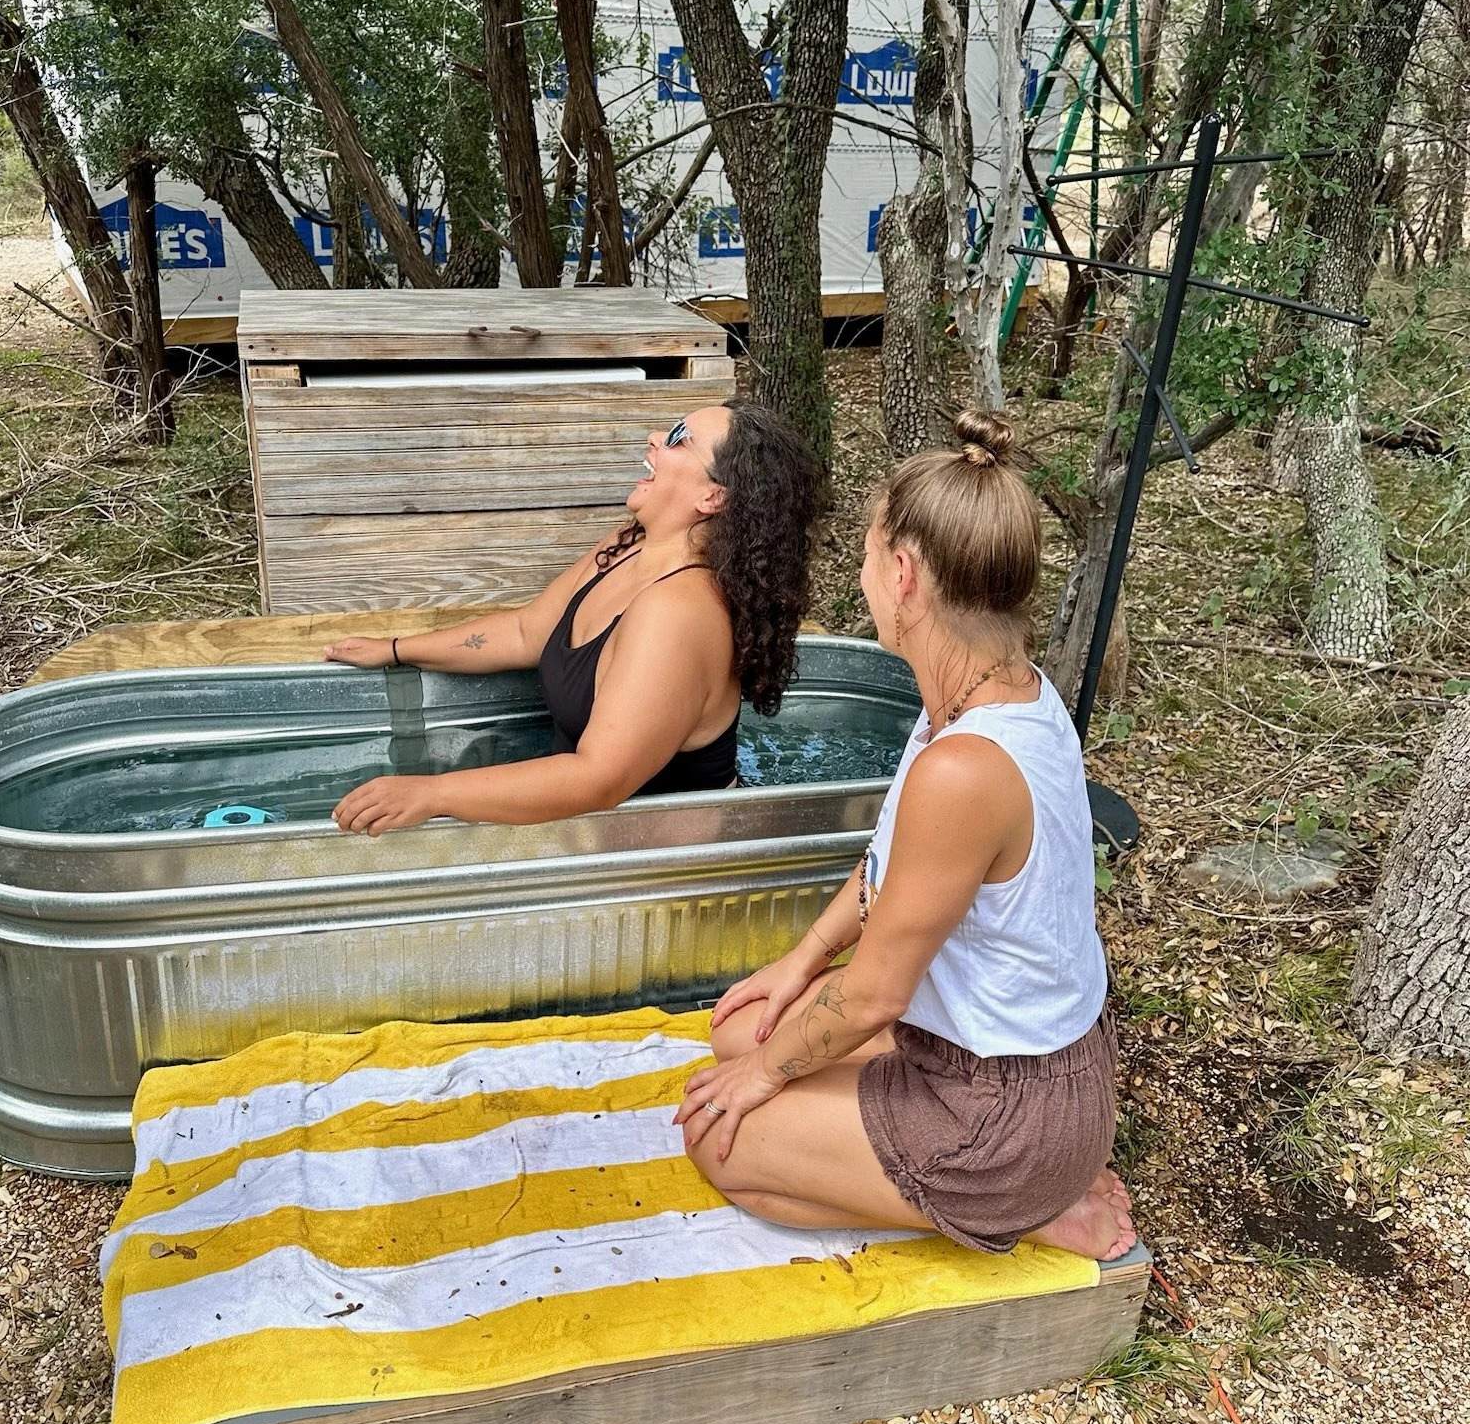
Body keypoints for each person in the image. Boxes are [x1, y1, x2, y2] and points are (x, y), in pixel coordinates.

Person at [674, 410, 1136, 1262]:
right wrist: (800, 961)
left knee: (718, 1134)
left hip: (1005, 1109)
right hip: (989, 1055)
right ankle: (1003, 1184)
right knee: (736, 1030)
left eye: (864, 559)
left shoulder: (964, 768)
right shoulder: (995, 693)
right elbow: (887, 863)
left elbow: (877, 994)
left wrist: (768, 1078)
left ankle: (1027, 1212)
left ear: (903, 572)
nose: (860, 582)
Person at [323, 401, 819, 832]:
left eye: (677, 439)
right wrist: (394, 650)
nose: (654, 439)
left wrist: (431, 794)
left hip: (668, 872)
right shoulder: (629, 547)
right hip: (597, 837)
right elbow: (523, 632)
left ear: (712, 497)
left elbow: (596, 779)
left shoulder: (679, 612)